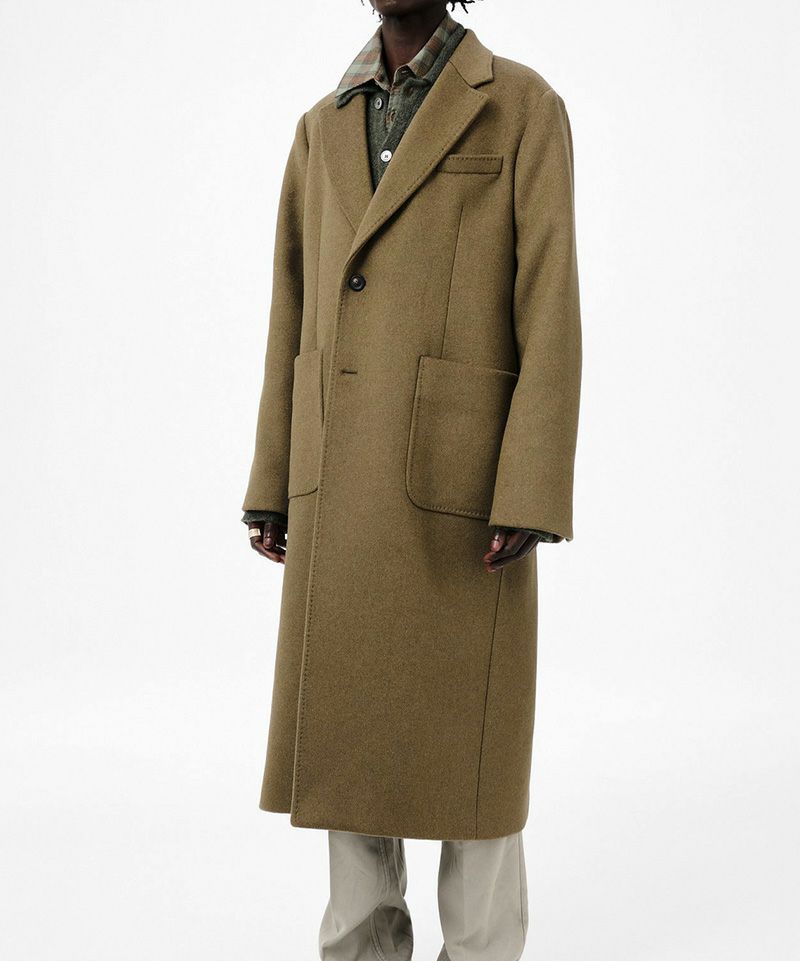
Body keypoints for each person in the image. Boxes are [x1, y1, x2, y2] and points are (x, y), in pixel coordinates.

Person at [242, 1, 581, 957]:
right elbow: (290, 305)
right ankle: (360, 945)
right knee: (348, 749)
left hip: (464, 488)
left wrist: (531, 488)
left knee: (475, 761)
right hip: (339, 478)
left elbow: (550, 299)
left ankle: (482, 948)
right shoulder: (322, 126)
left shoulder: (521, 106)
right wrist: (274, 475)